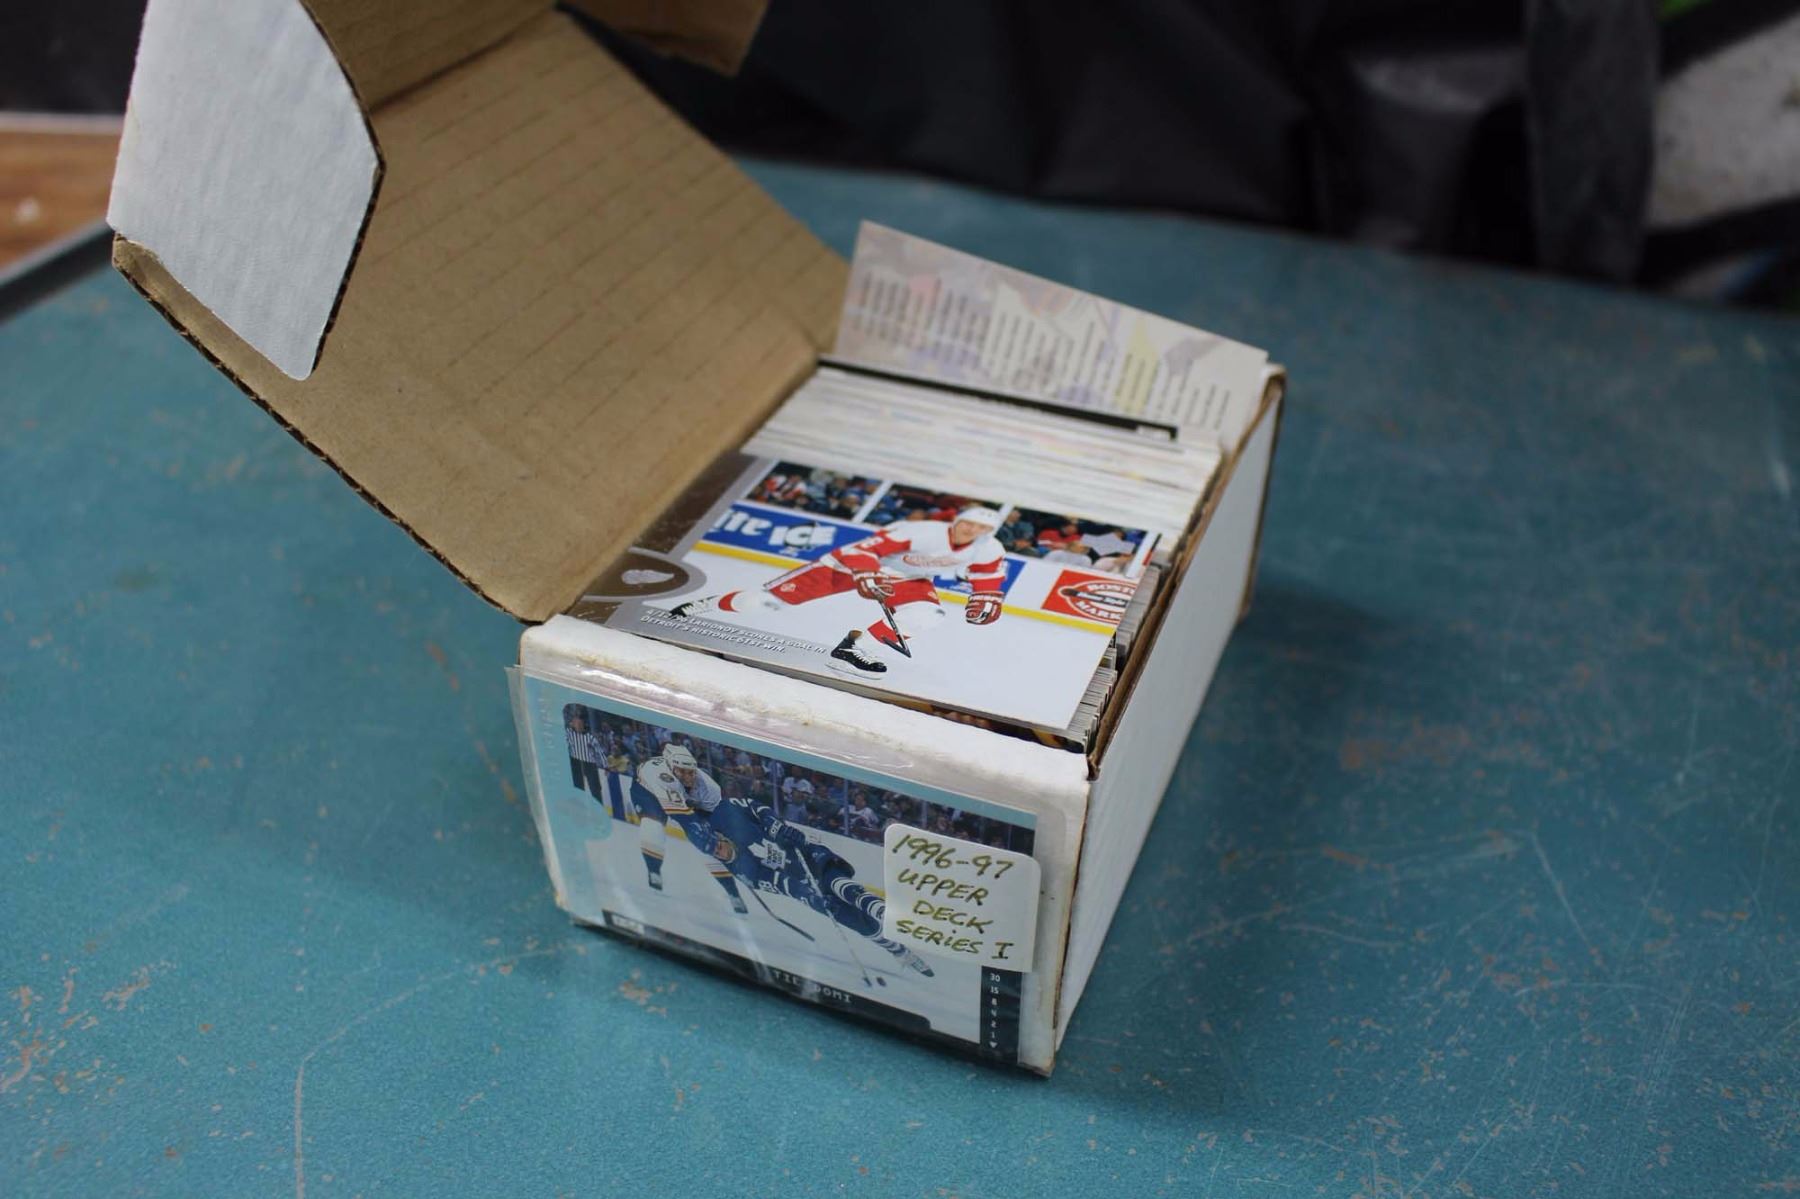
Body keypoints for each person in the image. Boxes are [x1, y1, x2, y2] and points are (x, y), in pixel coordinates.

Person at [669, 507, 1010, 675]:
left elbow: (987, 576)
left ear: (988, 532)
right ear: (957, 520)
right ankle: (708, 603)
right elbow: (863, 550)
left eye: (981, 527)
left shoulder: (989, 548)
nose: (971, 530)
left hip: (906, 578)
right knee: (764, 604)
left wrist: (985, 597)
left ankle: (852, 649)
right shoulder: (920, 531)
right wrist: (866, 573)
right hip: (847, 567)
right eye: (968, 522)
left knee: (928, 613)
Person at [697, 793, 934, 978]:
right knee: (864, 926)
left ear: (722, 836)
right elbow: (782, 884)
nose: (721, 851)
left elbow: (756, 808)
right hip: (805, 887)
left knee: (845, 888)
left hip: (812, 859)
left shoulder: (737, 823)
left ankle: (886, 913)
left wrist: (779, 829)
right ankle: (899, 951)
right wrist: (811, 897)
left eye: (719, 844)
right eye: (716, 852)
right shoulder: (743, 871)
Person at [631, 743, 749, 914]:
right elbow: (683, 817)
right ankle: (654, 872)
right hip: (647, 793)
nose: (688, 777)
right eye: (682, 771)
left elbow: (718, 818)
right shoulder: (660, 776)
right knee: (653, 826)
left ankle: (733, 893)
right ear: (671, 768)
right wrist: (702, 836)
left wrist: (720, 839)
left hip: (682, 801)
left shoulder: (710, 788)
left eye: (691, 772)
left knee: (712, 843)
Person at [564, 710, 603, 801]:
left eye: (580, 723)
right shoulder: (569, 735)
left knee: (595, 788)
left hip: (589, 764)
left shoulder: (588, 737)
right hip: (576, 764)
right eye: (576, 723)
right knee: (579, 785)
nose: (579, 725)